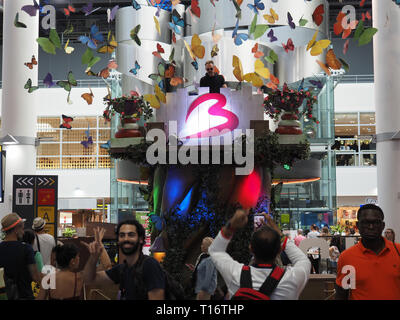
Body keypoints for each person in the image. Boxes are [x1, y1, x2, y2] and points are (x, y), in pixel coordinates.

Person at [208, 209, 311, 299]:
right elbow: (303, 260)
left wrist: (231, 226)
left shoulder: (236, 274)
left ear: (250, 248)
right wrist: (280, 234)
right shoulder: (292, 278)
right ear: (279, 250)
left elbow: (215, 250)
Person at [82, 219, 165, 300]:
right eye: (122, 235)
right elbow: (89, 280)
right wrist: (93, 257)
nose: (126, 239)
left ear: (141, 239)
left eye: (131, 235)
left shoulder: (150, 265)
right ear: (118, 241)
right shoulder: (123, 269)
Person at [335, 204, 400, 300]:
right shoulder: (347, 257)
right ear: (357, 225)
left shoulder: (398, 251)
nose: (371, 226)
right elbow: (342, 293)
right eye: (365, 222)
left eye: (376, 222)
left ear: (382, 226)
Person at [0, 213, 40, 300]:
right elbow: (35, 277)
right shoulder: (26, 249)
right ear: (16, 229)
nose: (23, 232)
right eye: (22, 228)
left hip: (4, 296)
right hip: (24, 295)